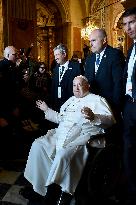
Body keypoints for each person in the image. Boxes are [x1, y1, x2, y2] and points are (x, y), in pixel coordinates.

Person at [22, 75, 115, 205]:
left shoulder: (97, 100)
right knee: (38, 145)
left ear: (87, 86)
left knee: (62, 155)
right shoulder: (71, 100)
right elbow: (60, 119)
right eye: (74, 85)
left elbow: (110, 120)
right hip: (60, 134)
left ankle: (54, 193)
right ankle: (38, 187)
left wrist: (93, 116)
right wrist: (47, 110)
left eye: (79, 85)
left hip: (81, 137)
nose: (76, 88)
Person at [84, 29, 126, 145]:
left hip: (110, 107)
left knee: (112, 142)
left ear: (104, 40)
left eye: (93, 40)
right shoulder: (90, 58)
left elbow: (119, 84)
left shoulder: (115, 55)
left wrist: (116, 108)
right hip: (93, 107)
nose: (90, 44)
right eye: (89, 41)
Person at [121, 7, 136, 205]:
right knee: (130, 151)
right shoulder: (131, 48)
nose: (128, 28)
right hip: (130, 107)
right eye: (124, 24)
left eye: (131, 22)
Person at [50, 43, 81, 112]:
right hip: (57, 105)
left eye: (57, 55)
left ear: (64, 54)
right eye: (55, 55)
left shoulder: (76, 67)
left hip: (71, 106)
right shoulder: (55, 69)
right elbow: (53, 88)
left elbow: (80, 87)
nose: (55, 58)